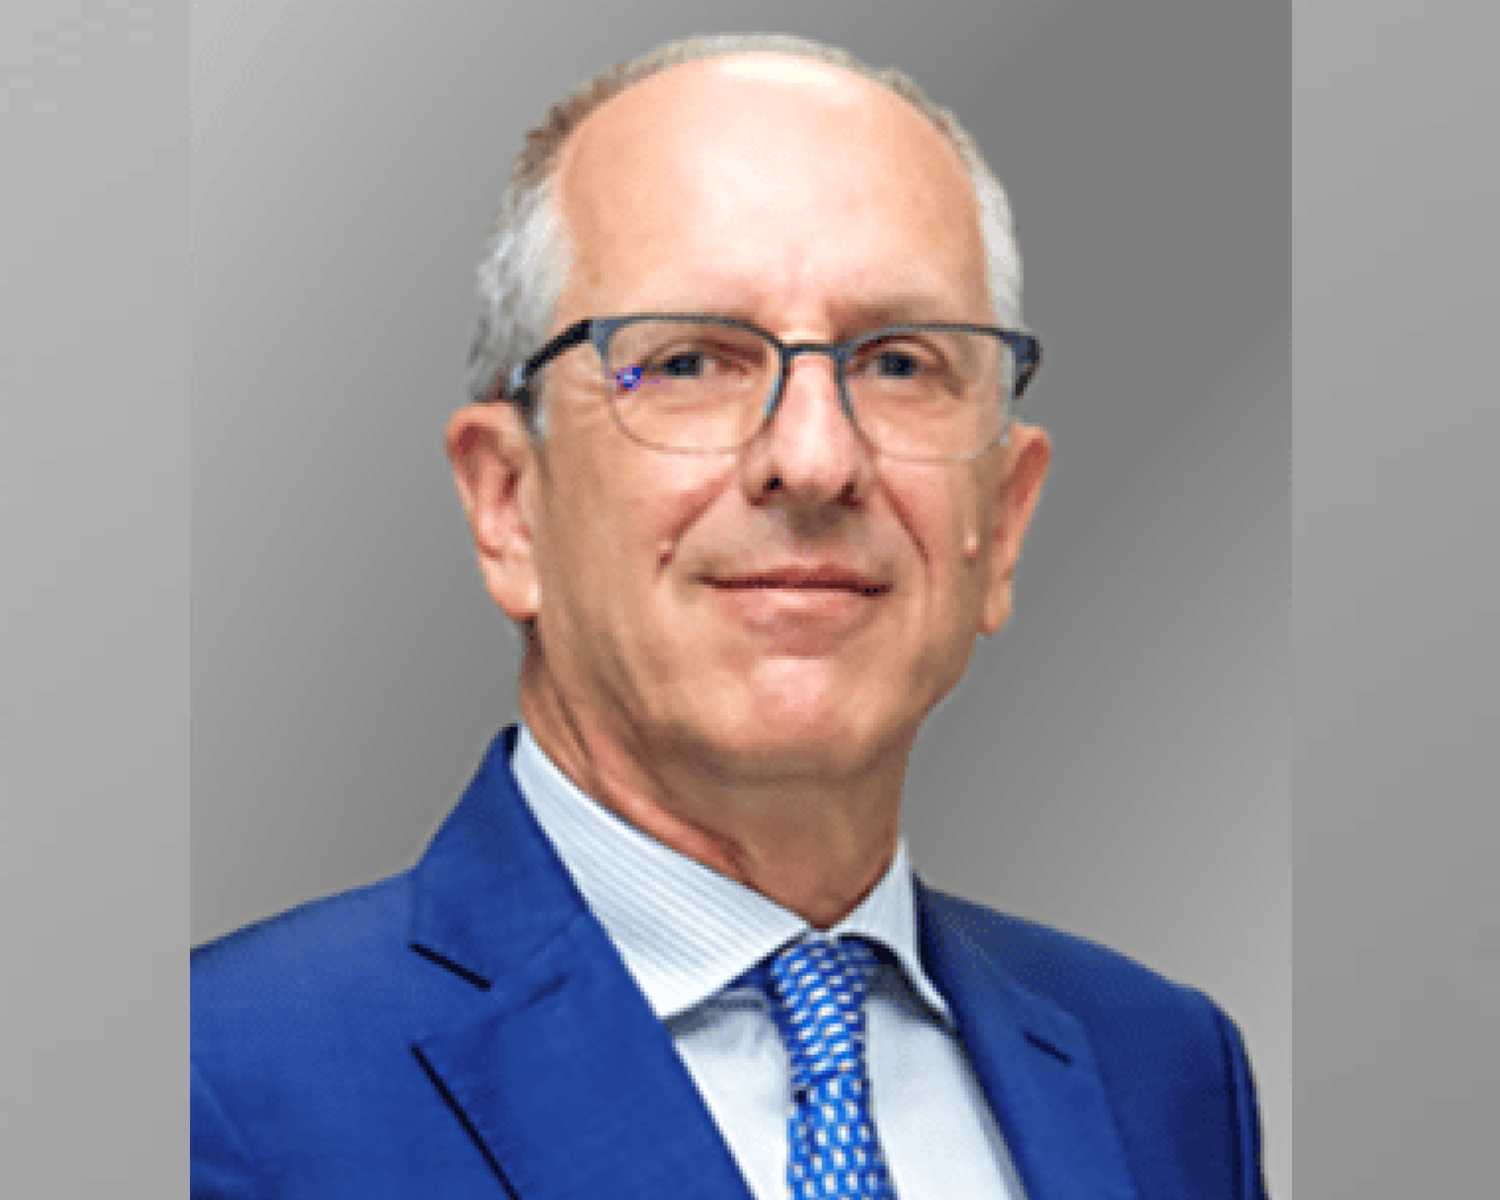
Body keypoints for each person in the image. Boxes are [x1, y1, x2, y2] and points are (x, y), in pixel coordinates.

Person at [192, 33, 1267, 1200]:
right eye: (692, 361)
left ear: (1002, 523)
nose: (814, 458)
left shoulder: (1163, 1074)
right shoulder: (217, 1083)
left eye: (899, 363)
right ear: (508, 505)